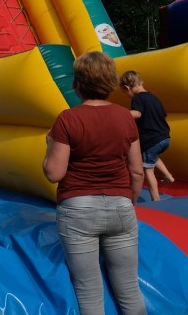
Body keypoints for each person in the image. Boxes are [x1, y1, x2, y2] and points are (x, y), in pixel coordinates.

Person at [43, 51, 146, 315]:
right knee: (130, 290)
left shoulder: (68, 119)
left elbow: (54, 172)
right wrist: (128, 201)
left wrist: (50, 145)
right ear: (111, 82)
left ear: (77, 83)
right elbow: (136, 171)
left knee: (89, 293)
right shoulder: (125, 117)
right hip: (120, 207)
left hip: (78, 209)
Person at [120, 70, 175, 201]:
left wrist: (120, 114)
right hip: (164, 137)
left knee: (147, 170)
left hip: (151, 139)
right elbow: (162, 114)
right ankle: (168, 176)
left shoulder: (138, 98)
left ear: (127, 88)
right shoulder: (154, 98)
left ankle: (155, 200)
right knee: (152, 156)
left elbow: (137, 114)